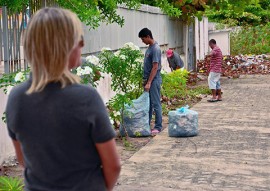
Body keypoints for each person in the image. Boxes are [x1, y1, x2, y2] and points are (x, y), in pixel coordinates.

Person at [5, 7, 120, 191]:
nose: (82, 45)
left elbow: (23, 160)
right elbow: (113, 165)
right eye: (79, 40)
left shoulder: (16, 98)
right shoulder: (86, 98)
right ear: (63, 46)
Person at [138, 28, 162, 134]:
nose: (142, 41)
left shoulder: (155, 49)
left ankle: (158, 126)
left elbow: (155, 67)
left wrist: (149, 82)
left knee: (156, 104)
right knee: (149, 104)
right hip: (149, 80)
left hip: (154, 80)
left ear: (148, 36)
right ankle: (146, 124)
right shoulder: (149, 48)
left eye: (143, 39)